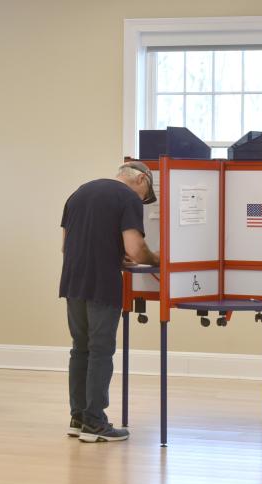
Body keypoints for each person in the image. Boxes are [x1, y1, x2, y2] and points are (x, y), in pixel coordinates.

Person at [60, 161, 159, 442]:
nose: (143, 200)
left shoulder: (79, 193)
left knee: (80, 349)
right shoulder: (127, 197)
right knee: (101, 350)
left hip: (72, 280)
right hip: (102, 282)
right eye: (146, 194)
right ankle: (95, 423)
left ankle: (78, 417)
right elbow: (136, 250)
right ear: (140, 179)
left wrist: (114, 251)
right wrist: (156, 258)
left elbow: (66, 245)